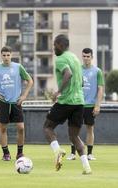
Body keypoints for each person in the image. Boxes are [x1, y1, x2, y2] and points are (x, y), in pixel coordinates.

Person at [43, 34, 92, 174]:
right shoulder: (75, 58)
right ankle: (87, 168)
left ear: (61, 45)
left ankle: (58, 151)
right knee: (74, 136)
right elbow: (81, 81)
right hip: (79, 102)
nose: (53, 48)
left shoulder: (61, 59)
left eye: (55, 45)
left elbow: (68, 74)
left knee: (47, 127)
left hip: (66, 101)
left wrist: (58, 92)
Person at [0, 46, 33, 161]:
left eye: (8, 55)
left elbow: (30, 80)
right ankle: (6, 153)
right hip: (3, 102)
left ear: (11, 55)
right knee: (3, 128)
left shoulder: (18, 67)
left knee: (21, 128)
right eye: (4, 55)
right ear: (1, 56)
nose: (6, 57)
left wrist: (24, 95)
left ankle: (20, 153)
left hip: (16, 102)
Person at [67, 48, 104, 161]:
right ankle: (73, 153)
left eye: (88, 56)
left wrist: (97, 105)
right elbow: (71, 86)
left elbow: (100, 89)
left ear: (92, 57)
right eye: (84, 56)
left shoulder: (97, 71)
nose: (86, 58)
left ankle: (89, 154)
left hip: (90, 106)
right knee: (74, 129)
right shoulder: (77, 70)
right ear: (82, 57)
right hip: (77, 104)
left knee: (90, 129)